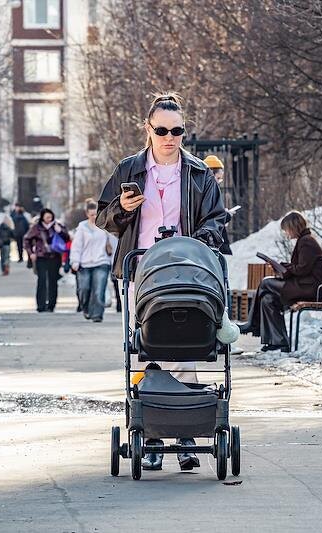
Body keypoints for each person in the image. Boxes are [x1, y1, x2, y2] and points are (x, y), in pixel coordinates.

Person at [96, 92, 226, 472]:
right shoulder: (129, 170)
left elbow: (216, 219)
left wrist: (203, 242)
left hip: (187, 270)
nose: (170, 137)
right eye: (162, 130)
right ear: (148, 129)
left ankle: (185, 430)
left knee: (186, 344)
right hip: (143, 272)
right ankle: (151, 431)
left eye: (178, 130)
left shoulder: (199, 173)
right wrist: (122, 208)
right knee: (149, 347)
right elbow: (103, 218)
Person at [238, 211, 322, 352]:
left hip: (311, 288)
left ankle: (252, 324)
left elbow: (302, 269)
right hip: (306, 284)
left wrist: (283, 267)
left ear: (293, 227)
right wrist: (281, 267)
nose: (286, 233)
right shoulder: (304, 240)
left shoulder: (306, 242)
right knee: (268, 299)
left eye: (286, 229)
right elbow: (301, 267)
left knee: (265, 283)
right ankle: (278, 342)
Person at [70, 199, 113, 323]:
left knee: (99, 290)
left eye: (96, 214)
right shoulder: (82, 227)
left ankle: (97, 314)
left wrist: (114, 260)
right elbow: (77, 246)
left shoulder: (104, 225)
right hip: (84, 263)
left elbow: (113, 243)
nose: (94, 217)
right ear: (87, 214)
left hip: (101, 262)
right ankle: (86, 308)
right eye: (92, 214)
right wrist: (75, 261)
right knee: (84, 289)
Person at [24, 208, 70, 313]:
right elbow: (27, 239)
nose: (49, 219)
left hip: (55, 256)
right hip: (41, 257)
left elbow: (67, 238)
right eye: (47, 217)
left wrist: (60, 231)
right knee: (42, 280)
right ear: (42, 218)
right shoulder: (37, 228)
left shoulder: (57, 226)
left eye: (51, 217)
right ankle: (41, 305)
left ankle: (51, 305)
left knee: (53, 281)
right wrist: (31, 253)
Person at [203, 154, 233, 255]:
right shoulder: (210, 191)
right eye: (219, 178)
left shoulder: (202, 190)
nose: (219, 181)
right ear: (212, 174)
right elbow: (212, 216)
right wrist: (226, 215)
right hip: (212, 242)